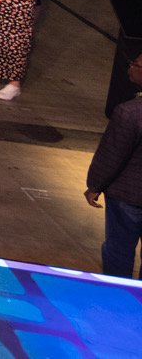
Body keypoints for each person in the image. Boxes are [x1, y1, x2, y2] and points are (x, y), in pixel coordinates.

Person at [85, 51, 142, 279]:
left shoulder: (129, 113)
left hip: (127, 197)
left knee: (119, 251)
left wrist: (94, 185)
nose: (130, 68)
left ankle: (118, 299)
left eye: (135, 64)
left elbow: (111, 155)